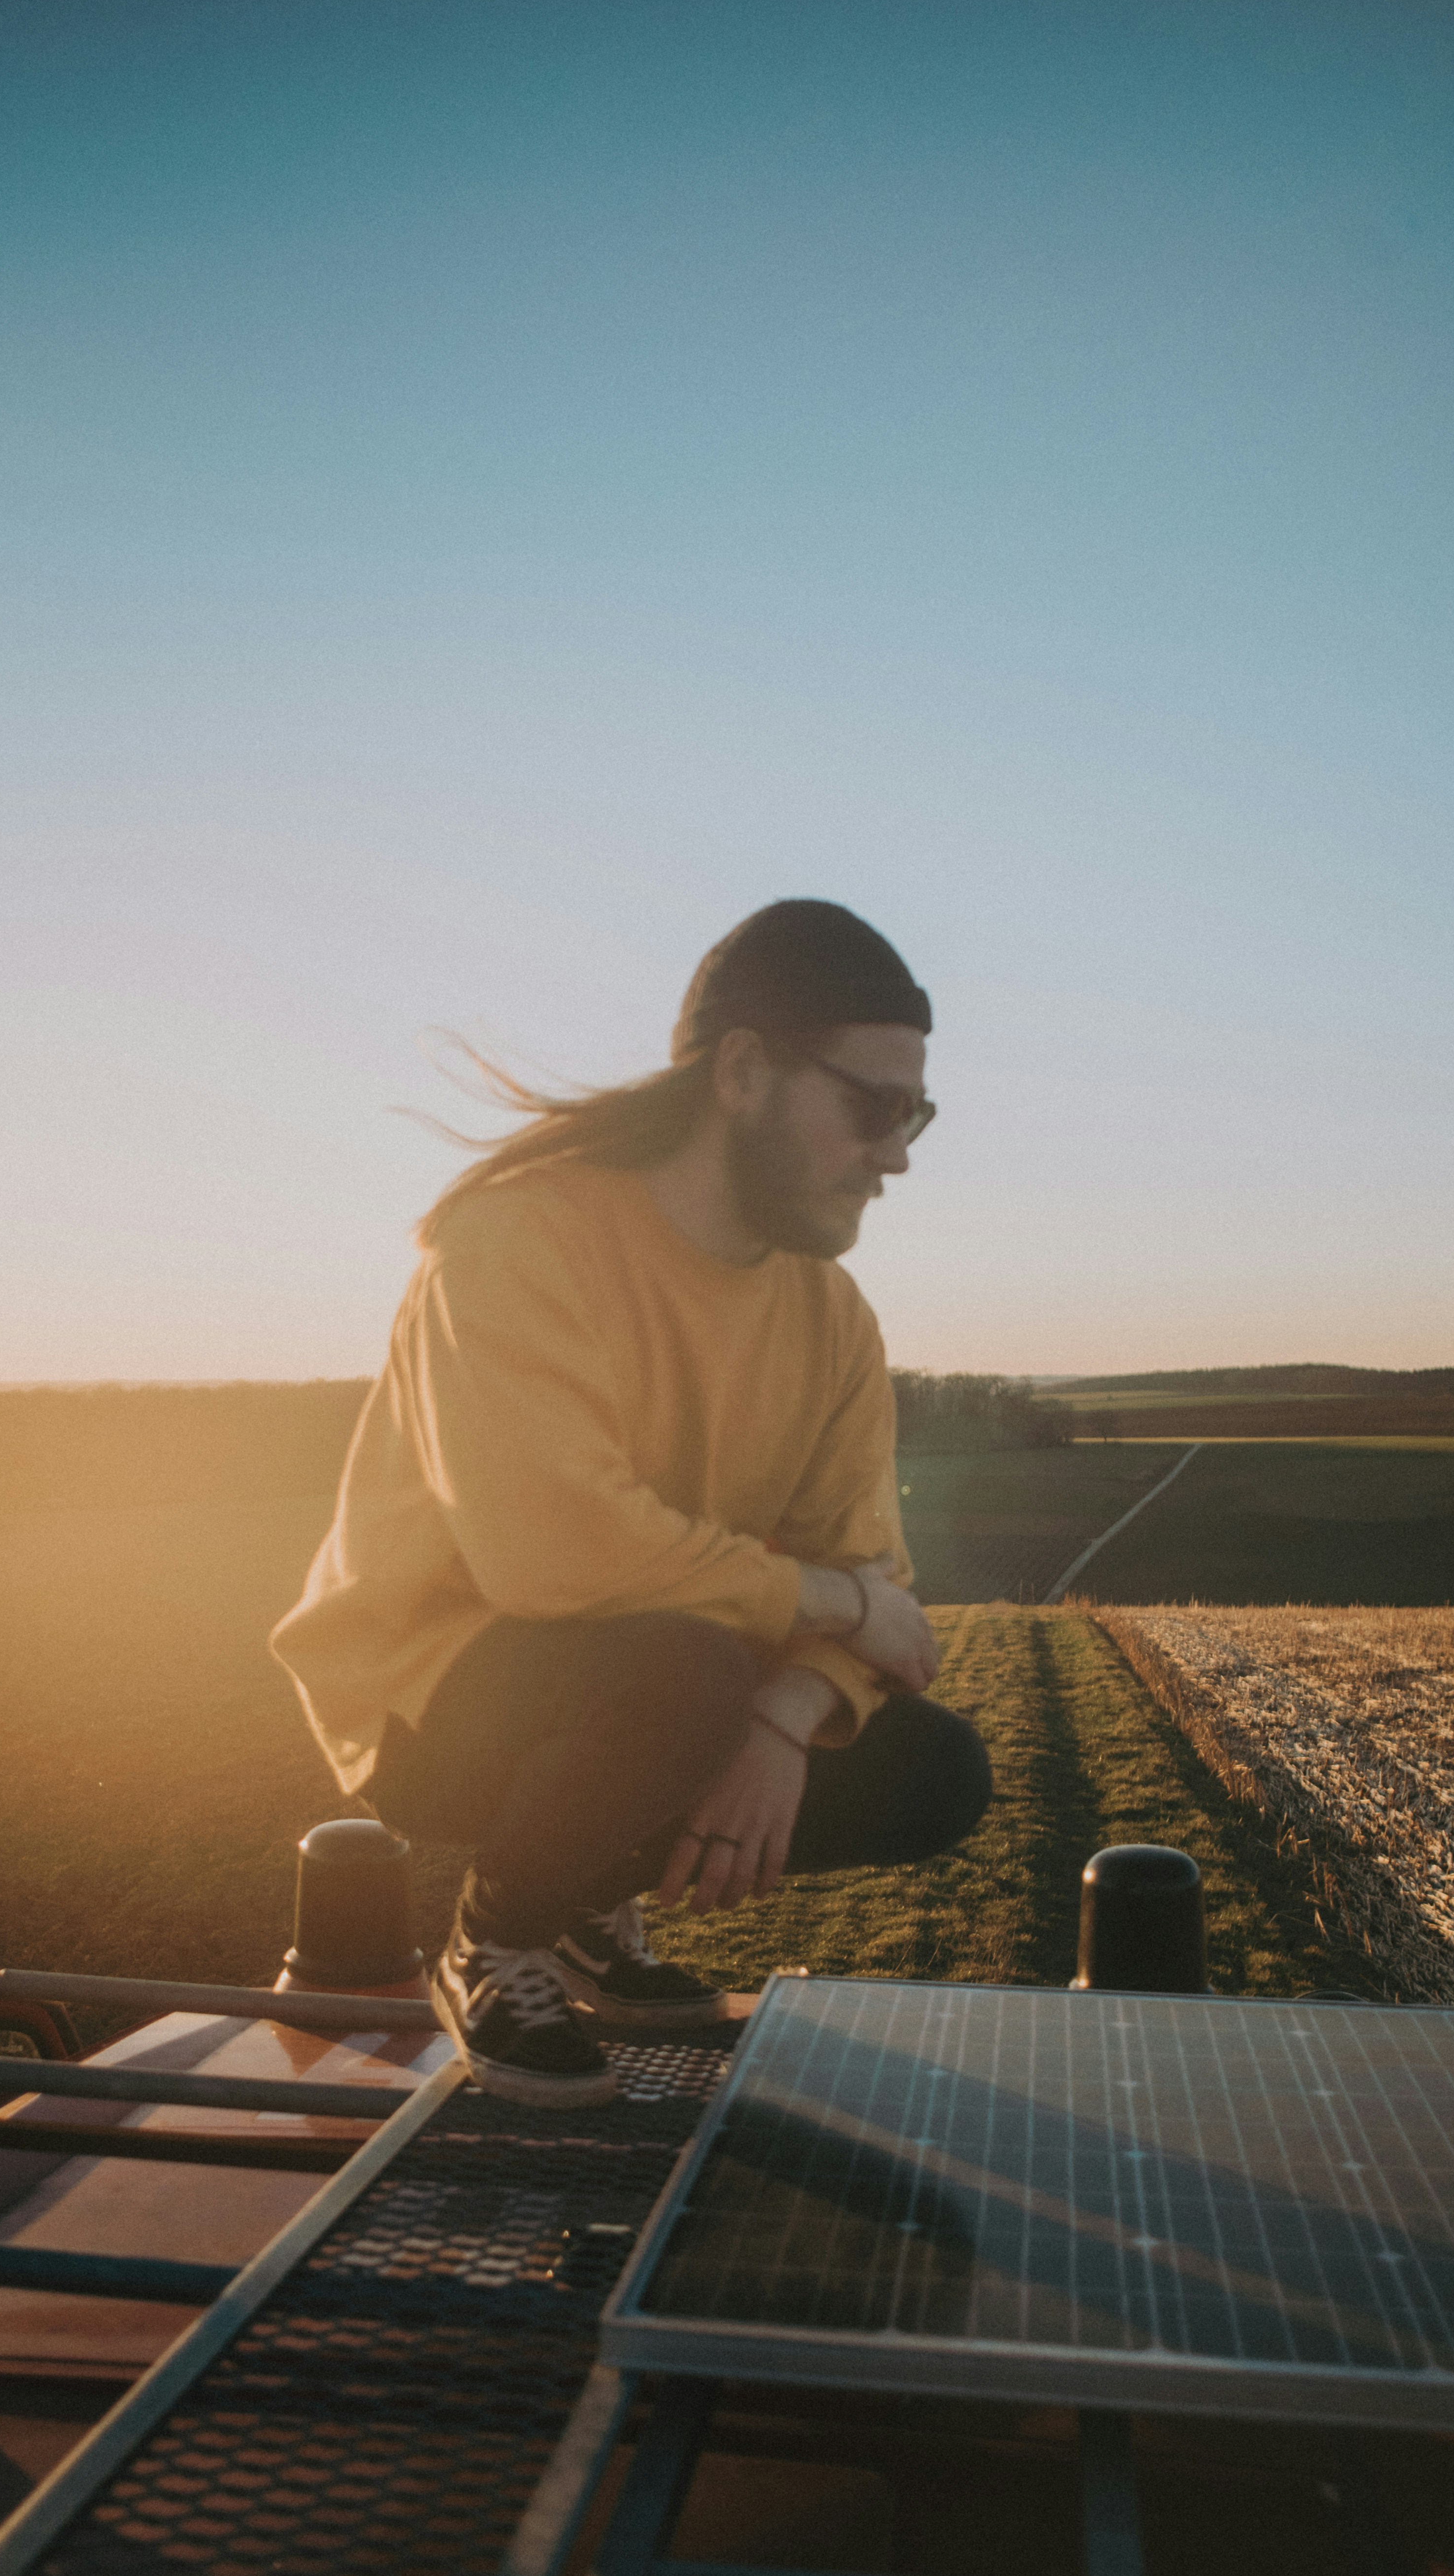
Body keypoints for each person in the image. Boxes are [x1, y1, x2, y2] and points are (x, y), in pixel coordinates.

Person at [271, 899, 993, 2105]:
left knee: (936, 1772)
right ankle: (498, 1935)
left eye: (915, 1113)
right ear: (746, 1073)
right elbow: (556, 1558)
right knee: (686, 1671)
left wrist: (784, 1716)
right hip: (433, 1698)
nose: (900, 1153)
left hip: (675, 1685)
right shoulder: (515, 1240)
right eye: (874, 1107)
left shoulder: (833, 1319)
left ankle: (587, 1904)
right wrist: (824, 1610)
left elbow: (873, 1574)